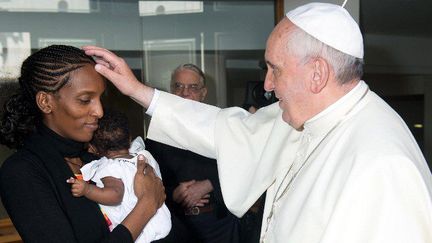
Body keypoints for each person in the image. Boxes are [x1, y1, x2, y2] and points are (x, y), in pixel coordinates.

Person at [83, 2, 432, 243]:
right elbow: (225, 128)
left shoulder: (385, 165)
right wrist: (139, 90)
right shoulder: (311, 115)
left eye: (274, 68)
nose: (267, 85)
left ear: (317, 74)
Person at [0, 45, 165, 242]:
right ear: (45, 102)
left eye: (100, 98)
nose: (100, 111)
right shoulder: (21, 172)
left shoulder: (98, 154)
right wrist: (146, 206)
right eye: (85, 100)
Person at [145, 63, 240, 243]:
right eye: (178, 86)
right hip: (176, 226)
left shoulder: (222, 126)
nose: (184, 93)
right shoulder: (158, 133)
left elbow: (242, 169)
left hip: (219, 226)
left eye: (192, 87)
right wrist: (174, 194)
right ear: (171, 91)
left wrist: (210, 184)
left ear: (203, 93)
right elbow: (150, 179)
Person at [66, 109, 171, 243]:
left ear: (93, 148)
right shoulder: (144, 156)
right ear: (129, 138)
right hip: (161, 222)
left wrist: (87, 190)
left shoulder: (109, 167)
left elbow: (115, 195)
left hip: (139, 232)